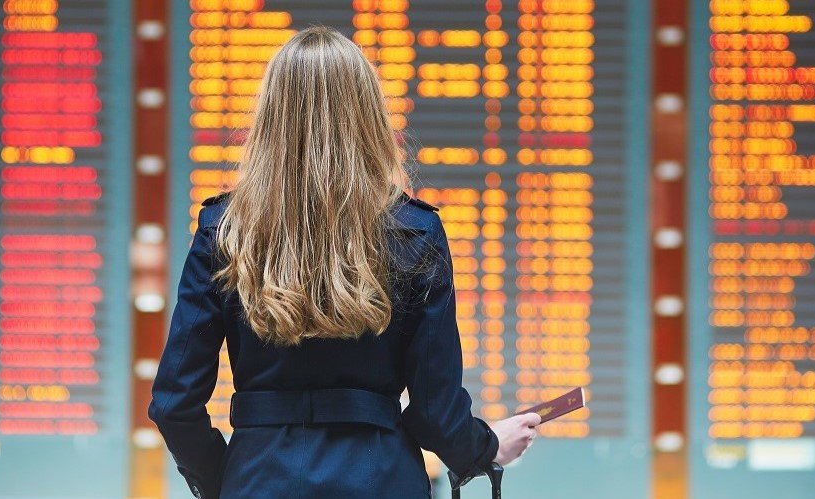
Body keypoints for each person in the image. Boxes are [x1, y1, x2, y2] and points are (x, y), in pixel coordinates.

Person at [148, 26, 540, 499]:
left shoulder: (224, 230)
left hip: (257, 479)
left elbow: (175, 405)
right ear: (369, 115)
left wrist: (226, 478)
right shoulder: (415, 232)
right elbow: (435, 411)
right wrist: (487, 445)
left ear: (270, 116)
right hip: (382, 480)